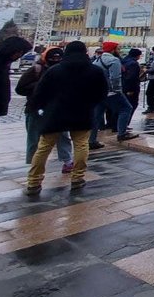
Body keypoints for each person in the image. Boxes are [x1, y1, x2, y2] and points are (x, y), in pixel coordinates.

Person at [25, 41, 107, 194]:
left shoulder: (55, 70)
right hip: (82, 112)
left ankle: (33, 182)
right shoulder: (95, 71)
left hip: (55, 113)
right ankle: (77, 178)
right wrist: (90, 103)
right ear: (85, 52)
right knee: (81, 145)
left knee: (44, 147)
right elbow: (102, 93)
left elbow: (40, 93)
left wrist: (42, 108)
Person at [16, 47, 74, 172]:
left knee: (63, 136)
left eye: (59, 58)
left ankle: (67, 160)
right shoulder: (36, 70)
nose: (56, 60)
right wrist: (41, 85)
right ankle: (34, 164)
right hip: (36, 108)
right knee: (34, 138)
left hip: (58, 109)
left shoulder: (64, 70)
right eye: (53, 58)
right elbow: (20, 88)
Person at [89, 41, 139, 148]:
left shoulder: (97, 60)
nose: (119, 51)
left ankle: (91, 140)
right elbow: (115, 78)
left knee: (97, 116)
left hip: (98, 92)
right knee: (126, 108)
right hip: (110, 92)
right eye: (118, 49)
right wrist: (117, 91)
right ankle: (122, 133)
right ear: (113, 50)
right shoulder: (114, 60)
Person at [121, 48, 143, 112]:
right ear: (137, 55)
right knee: (131, 105)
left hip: (123, 87)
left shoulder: (123, 60)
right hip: (130, 90)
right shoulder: (133, 64)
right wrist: (131, 90)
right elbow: (132, 78)